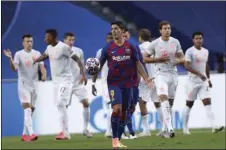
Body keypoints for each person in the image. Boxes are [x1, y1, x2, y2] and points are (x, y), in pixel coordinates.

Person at [92, 21, 152, 148]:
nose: (113, 31)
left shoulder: (131, 46)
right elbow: (99, 66)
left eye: (116, 29)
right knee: (116, 109)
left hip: (129, 83)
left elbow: (138, 63)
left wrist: (146, 78)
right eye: (112, 29)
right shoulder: (107, 48)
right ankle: (114, 140)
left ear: (122, 31)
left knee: (125, 111)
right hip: (114, 83)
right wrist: (93, 80)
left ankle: (118, 139)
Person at [33, 29, 86, 140]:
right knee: (59, 105)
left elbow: (78, 60)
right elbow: (45, 55)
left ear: (52, 37)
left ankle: (65, 133)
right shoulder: (49, 47)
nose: (44, 39)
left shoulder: (63, 47)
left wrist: (82, 74)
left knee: (60, 102)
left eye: (46, 37)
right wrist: (35, 61)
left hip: (66, 81)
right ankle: (64, 131)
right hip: (56, 82)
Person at [144, 21, 185, 138]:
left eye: (169, 28)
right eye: (165, 28)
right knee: (163, 98)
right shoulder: (155, 43)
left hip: (173, 74)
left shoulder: (175, 42)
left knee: (170, 103)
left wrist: (179, 60)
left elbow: (181, 56)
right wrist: (159, 59)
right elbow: (145, 58)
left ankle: (164, 129)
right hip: (161, 74)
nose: (167, 30)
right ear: (160, 30)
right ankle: (171, 129)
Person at [3, 34, 46, 142]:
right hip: (23, 85)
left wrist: (44, 74)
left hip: (34, 86)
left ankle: (24, 134)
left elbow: (42, 67)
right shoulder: (19, 54)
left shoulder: (37, 53)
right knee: (27, 107)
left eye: (31, 41)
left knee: (31, 110)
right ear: (23, 43)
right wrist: (10, 59)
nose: (29, 43)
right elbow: (15, 68)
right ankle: (31, 133)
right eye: (27, 41)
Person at [183, 32, 224, 134]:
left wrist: (208, 79)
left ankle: (214, 126)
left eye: (200, 38)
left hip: (203, 82)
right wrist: (198, 74)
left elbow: (205, 65)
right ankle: (185, 128)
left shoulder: (205, 51)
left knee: (207, 103)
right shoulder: (190, 51)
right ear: (193, 40)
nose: (199, 40)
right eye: (197, 38)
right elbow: (187, 66)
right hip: (192, 82)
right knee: (189, 104)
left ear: (202, 39)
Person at [63, 32, 92, 138]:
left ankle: (85, 129)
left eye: (73, 40)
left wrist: (83, 75)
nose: (71, 42)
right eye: (69, 40)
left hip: (77, 82)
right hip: (65, 83)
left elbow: (82, 64)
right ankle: (65, 131)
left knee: (86, 103)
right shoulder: (60, 51)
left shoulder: (79, 51)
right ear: (64, 40)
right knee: (64, 107)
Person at [136, 29, 164, 137]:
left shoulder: (140, 47)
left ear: (140, 37)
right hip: (157, 77)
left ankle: (146, 130)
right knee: (157, 103)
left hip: (147, 79)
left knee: (142, 102)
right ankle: (164, 128)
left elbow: (138, 64)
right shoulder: (155, 46)